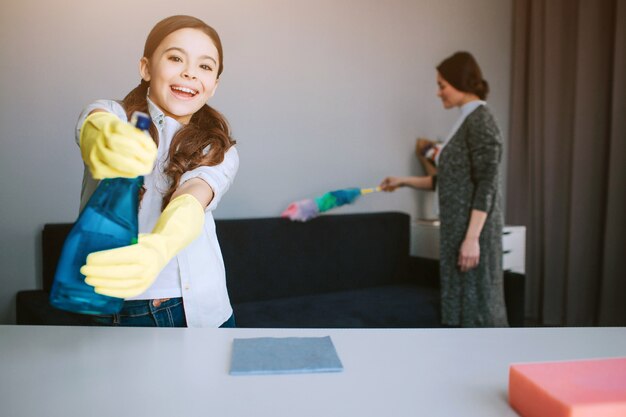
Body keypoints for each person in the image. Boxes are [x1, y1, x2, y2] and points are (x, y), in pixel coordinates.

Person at [75, 15, 239, 328]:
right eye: (176, 58)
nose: (190, 72)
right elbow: (96, 130)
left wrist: (159, 248)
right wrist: (110, 141)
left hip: (199, 309)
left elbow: (193, 197)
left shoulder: (218, 148)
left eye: (205, 66)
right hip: (113, 308)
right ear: (146, 68)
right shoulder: (111, 114)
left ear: (214, 85)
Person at [380, 51, 508, 327]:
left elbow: (488, 183)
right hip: (458, 233)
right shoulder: (464, 120)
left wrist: (472, 238)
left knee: (479, 313)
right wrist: (403, 181)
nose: (438, 93)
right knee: (459, 312)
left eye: (442, 85)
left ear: (461, 81)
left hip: (471, 235)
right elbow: (450, 182)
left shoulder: (481, 120)